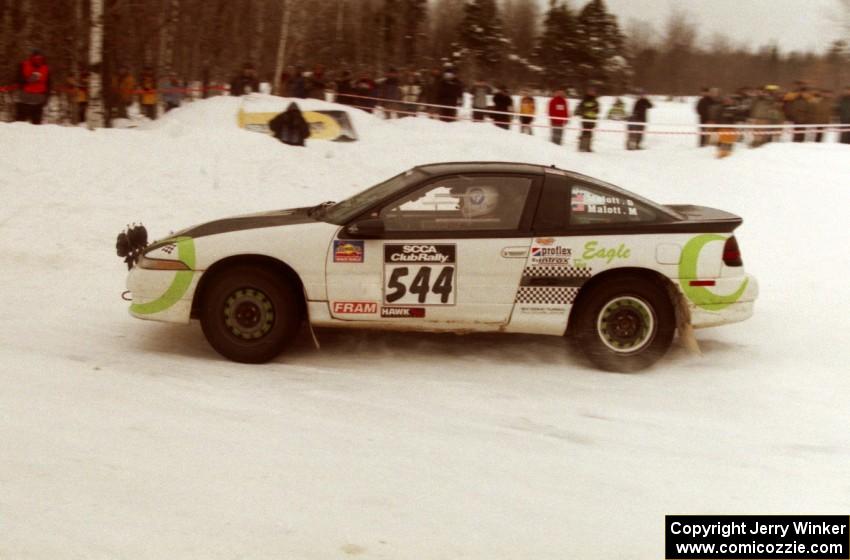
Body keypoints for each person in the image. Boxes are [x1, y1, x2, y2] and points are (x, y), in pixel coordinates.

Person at [15, 49, 51, 124]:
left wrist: (47, 97)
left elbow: (49, 84)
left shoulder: (46, 68)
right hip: (24, 100)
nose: (38, 60)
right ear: (31, 58)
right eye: (36, 58)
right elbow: (17, 80)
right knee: (20, 125)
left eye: (40, 58)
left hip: (38, 101)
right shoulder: (23, 65)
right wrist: (27, 80)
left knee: (36, 127)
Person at [576, 86, 600, 152]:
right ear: (588, 92)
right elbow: (580, 109)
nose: (592, 93)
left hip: (592, 119)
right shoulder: (584, 99)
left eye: (593, 91)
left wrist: (595, 110)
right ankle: (582, 147)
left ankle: (588, 147)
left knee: (590, 134)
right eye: (591, 91)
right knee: (584, 133)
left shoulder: (595, 101)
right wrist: (588, 109)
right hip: (585, 119)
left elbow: (598, 110)